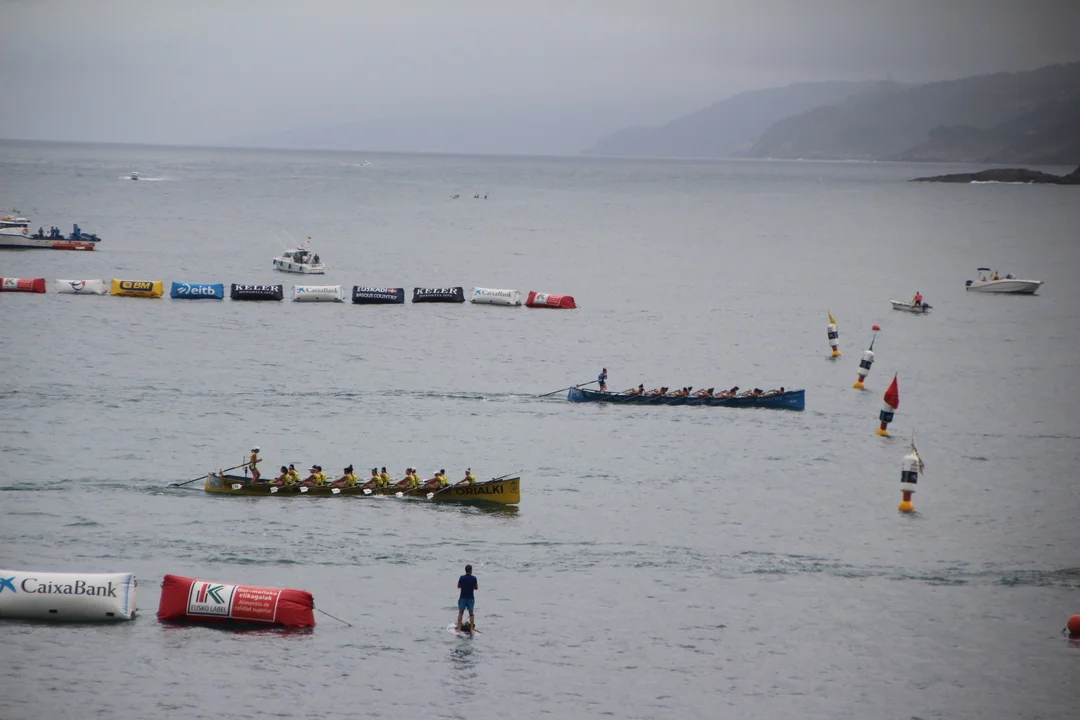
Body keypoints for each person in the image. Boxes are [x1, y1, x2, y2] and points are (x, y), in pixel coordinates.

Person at [456, 564, 478, 632]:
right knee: (471, 613)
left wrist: (464, 585)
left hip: (462, 597)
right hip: (470, 598)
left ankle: (459, 628)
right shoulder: (474, 578)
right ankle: (471, 629)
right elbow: (476, 587)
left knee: (460, 612)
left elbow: (458, 586)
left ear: (465, 570)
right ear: (471, 570)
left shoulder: (461, 578)